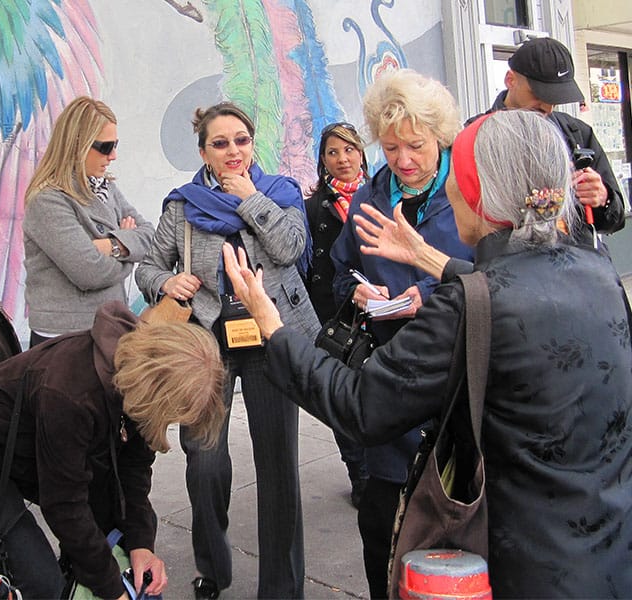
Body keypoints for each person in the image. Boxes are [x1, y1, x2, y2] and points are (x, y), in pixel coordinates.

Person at [223, 109, 632, 598]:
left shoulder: (467, 307)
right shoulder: (595, 268)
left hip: (523, 562)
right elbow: (514, 284)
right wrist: (429, 258)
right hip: (609, 545)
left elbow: (359, 405)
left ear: (475, 192)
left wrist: (270, 323)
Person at [135, 102, 319, 600]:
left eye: (241, 140)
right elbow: (147, 267)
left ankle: (281, 589)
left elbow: (290, 249)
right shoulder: (183, 205)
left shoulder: (278, 192)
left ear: (252, 144)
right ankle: (214, 568)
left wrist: (249, 198)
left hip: (269, 337)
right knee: (206, 461)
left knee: (278, 464)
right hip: (207, 342)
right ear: (203, 152)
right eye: (220, 144)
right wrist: (168, 280)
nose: (233, 151)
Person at [0, 301, 227, 600]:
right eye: (171, 415)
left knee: (120, 537)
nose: (170, 422)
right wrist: (115, 592)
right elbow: (65, 504)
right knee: (39, 580)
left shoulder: (139, 379)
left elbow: (133, 473)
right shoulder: (70, 394)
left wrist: (142, 546)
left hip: (31, 450)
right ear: (155, 391)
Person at [328, 69, 473, 598]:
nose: (403, 160)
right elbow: (341, 269)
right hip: (390, 376)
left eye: (416, 145)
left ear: (441, 137)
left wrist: (429, 296)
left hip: (458, 381)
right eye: (390, 148)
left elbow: (495, 280)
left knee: (454, 518)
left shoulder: (468, 192)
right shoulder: (369, 197)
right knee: (379, 522)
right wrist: (357, 293)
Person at [23, 96, 154, 347]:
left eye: (115, 145)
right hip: (65, 337)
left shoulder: (106, 188)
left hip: (108, 326)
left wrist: (111, 246)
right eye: (105, 147)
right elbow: (89, 273)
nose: (113, 155)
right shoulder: (47, 200)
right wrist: (128, 250)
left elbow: (150, 236)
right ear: (76, 145)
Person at [471, 36, 624, 245]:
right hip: (507, 268)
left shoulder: (577, 133)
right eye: (538, 93)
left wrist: (603, 198)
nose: (547, 106)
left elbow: (614, 220)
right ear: (510, 80)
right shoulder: (473, 136)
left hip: (579, 266)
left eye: (555, 97)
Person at [304, 122, 369, 507]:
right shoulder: (314, 207)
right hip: (336, 316)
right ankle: (359, 474)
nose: (342, 159)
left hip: (381, 309)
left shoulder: (382, 194)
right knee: (342, 396)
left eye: (348, 150)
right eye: (332, 152)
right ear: (323, 160)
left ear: (360, 152)